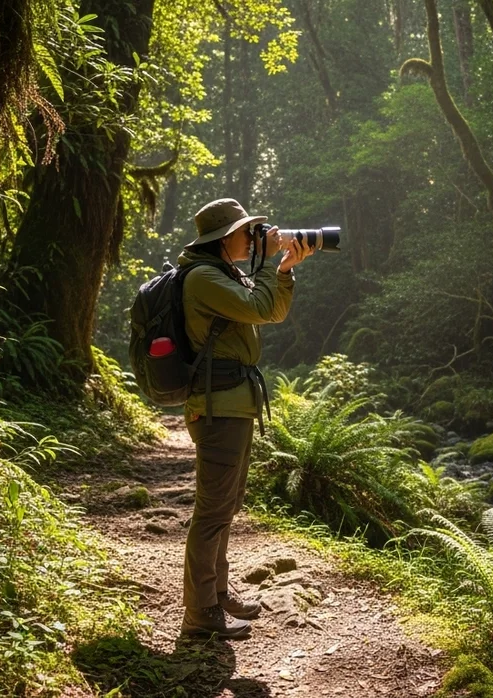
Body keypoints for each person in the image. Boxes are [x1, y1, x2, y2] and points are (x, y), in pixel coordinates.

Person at [177, 198, 313, 638]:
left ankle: (217, 594)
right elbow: (264, 310)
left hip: (233, 402)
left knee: (226, 507)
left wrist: (281, 268)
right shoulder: (203, 278)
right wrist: (279, 267)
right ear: (223, 239)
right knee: (212, 511)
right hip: (219, 406)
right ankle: (200, 614)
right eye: (247, 230)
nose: (254, 236)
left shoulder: (222, 274)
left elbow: (265, 306)